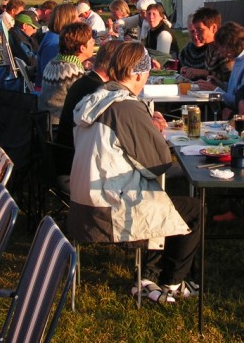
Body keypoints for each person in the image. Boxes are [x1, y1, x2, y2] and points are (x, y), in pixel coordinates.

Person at [69, 42, 201, 303]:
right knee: (192, 209)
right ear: (139, 75)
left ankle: (149, 275)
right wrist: (154, 134)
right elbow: (157, 164)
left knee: (157, 197)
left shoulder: (94, 99)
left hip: (81, 205)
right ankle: (173, 282)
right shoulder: (126, 106)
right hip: (110, 209)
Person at [54, 39, 123, 194]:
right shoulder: (99, 93)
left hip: (64, 161)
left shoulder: (82, 82)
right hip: (78, 172)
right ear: (116, 66)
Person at [38, 22, 93, 122]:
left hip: (45, 119)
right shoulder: (72, 71)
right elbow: (84, 103)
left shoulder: (54, 62)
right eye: (91, 41)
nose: (94, 42)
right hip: (59, 123)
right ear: (82, 48)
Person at [212, 21, 244, 111]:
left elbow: (240, 101)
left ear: (230, 45)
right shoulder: (238, 59)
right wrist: (219, 84)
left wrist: (216, 91)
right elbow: (233, 90)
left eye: (221, 47)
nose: (219, 52)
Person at [35, 2, 79, 87]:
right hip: (50, 89)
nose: (79, 20)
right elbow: (51, 73)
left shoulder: (55, 36)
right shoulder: (54, 42)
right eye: (76, 17)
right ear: (67, 19)